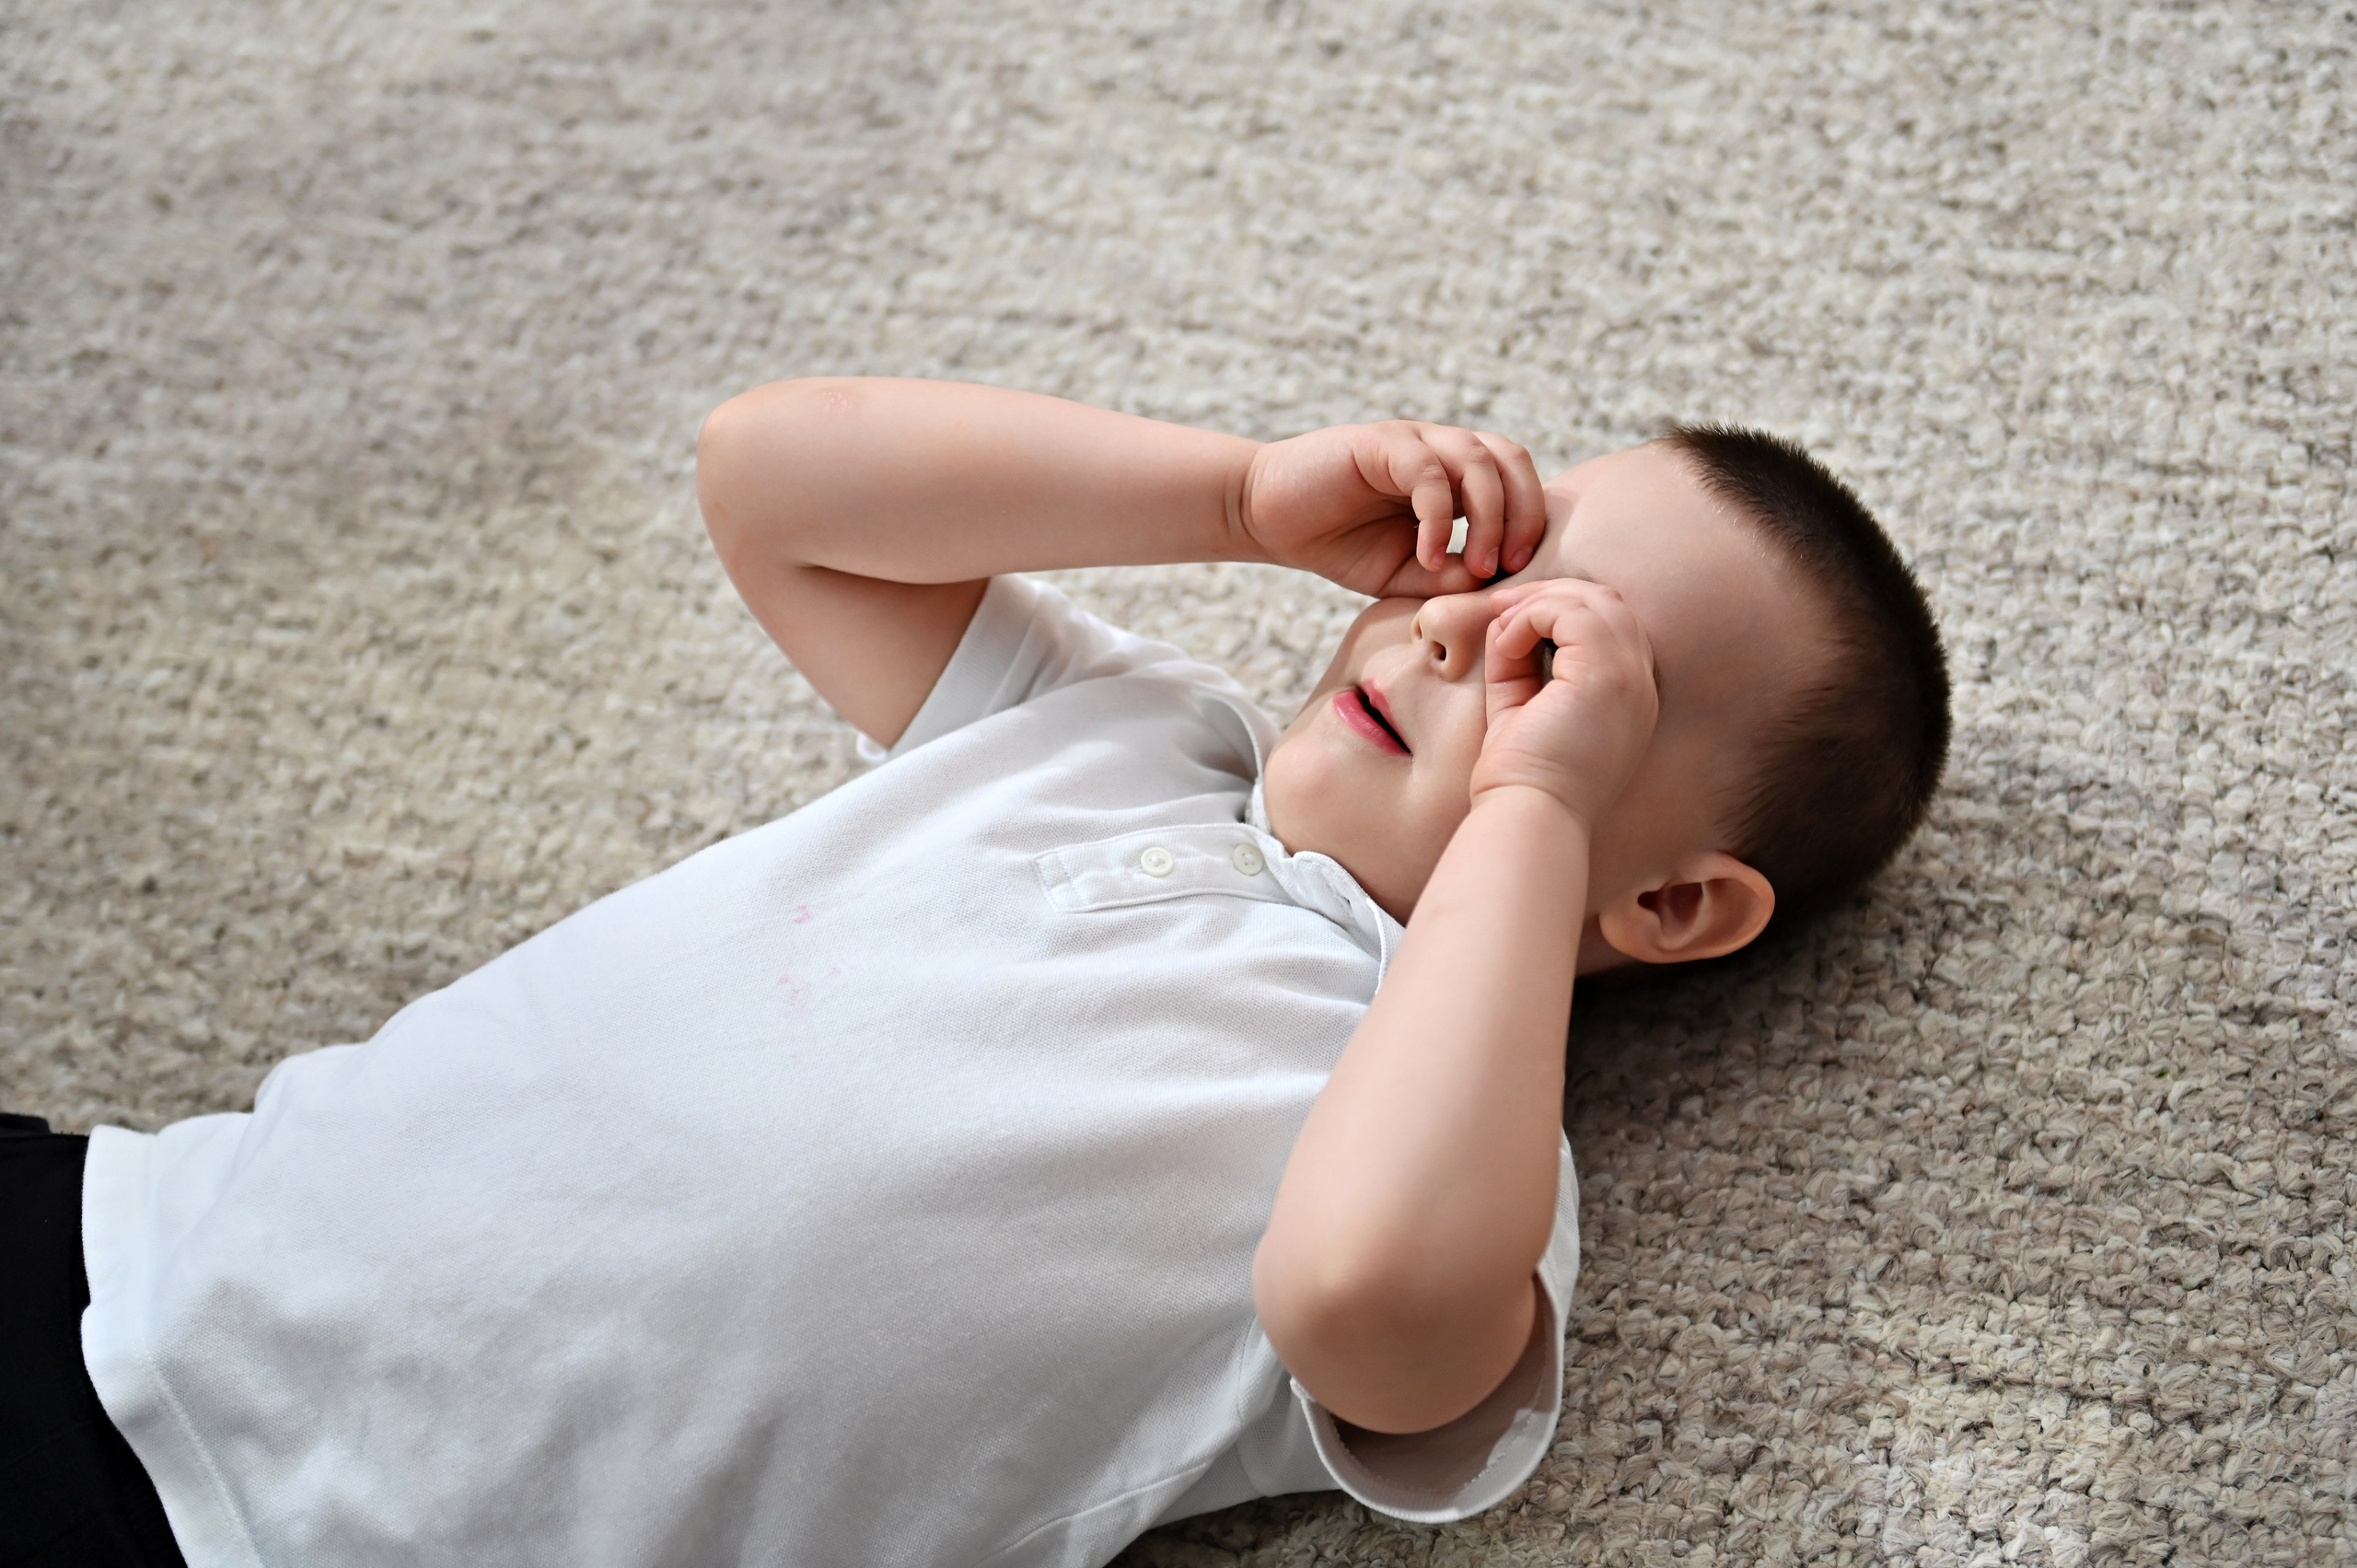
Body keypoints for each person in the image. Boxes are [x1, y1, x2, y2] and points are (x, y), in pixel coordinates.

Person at [1, 378, 1948, 1568]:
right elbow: (774, 481)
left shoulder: (1443, 1155)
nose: (1459, 641)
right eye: (1490, 573)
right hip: (130, 1238)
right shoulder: (1124, 733)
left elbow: (1365, 1299)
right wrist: (1237, 496)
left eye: (1562, 668)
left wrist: (1528, 807)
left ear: (1669, 906)